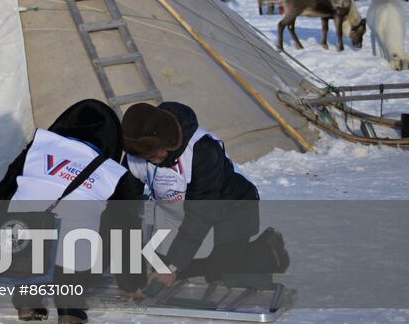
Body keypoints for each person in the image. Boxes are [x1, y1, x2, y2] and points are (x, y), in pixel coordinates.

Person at [0, 100, 145, 324]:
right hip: (75, 249)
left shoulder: (38, 146)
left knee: (31, 232)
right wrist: (130, 281)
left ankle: (27, 300)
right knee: (85, 229)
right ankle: (70, 307)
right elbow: (126, 228)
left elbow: (5, 189)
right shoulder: (113, 172)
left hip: (24, 238)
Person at [121, 101, 288, 289]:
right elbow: (123, 211)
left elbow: (200, 213)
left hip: (230, 206)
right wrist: (129, 278)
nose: (157, 155)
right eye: (149, 155)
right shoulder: (134, 157)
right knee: (158, 268)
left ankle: (267, 250)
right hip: (177, 212)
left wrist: (174, 266)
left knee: (220, 272)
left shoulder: (202, 149)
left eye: (158, 150)